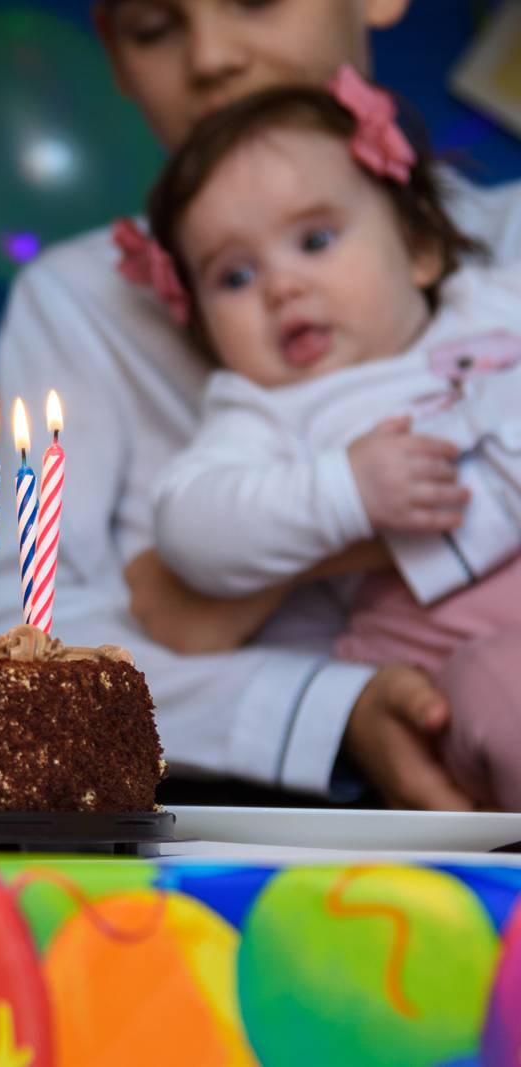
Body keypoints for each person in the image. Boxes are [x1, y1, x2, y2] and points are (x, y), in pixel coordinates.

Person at [0, 0, 521, 809]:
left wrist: (197, 595)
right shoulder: (78, 303)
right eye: (152, 28)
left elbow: (165, 606)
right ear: (112, 53)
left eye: (253, 0)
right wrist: (329, 708)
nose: (211, 57)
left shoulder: (506, 250)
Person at [137, 73, 521, 807]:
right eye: (235, 275)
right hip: (463, 658)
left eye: (315, 239)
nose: (281, 286)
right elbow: (191, 526)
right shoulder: (267, 408)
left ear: (418, 249)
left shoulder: (493, 303)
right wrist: (346, 491)